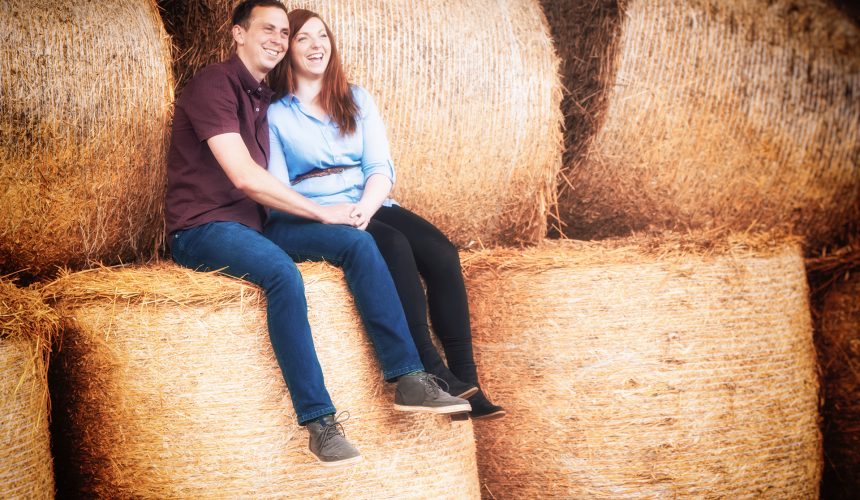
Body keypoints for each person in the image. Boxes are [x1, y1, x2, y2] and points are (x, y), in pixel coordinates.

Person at [165, 0, 470, 468]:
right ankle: (319, 421)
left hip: (261, 225)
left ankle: (408, 376)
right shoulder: (214, 85)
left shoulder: (266, 99)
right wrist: (322, 212)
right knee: (284, 276)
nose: (277, 39)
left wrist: (336, 215)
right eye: (267, 29)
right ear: (236, 34)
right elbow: (245, 177)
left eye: (283, 32)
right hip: (205, 227)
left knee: (358, 242)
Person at [267, 9, 505, 420]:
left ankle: (466, 379)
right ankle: (430, 369)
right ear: (288, 49)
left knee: (442, 252)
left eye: (321, 36)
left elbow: (379, 167)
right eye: (303, 38)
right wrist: (329, 213)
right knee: (393, 247)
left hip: (369, 199)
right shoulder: (276, 113)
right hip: (321, 208)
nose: (315, 45)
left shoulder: (356, 98)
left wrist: (366, 208)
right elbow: (277, 187)